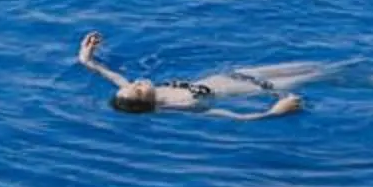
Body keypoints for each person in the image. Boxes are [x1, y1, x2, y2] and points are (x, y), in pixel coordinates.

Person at [77, 32, 306, 117]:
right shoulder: (181, 105)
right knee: (318, 75)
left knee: (307, 66)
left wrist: (87, 58)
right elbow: (230, 115)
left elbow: (113, 77)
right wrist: (275, 112)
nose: (137, 82)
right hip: (249, 88)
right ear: (145, 103)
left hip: (235, 76)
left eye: (132, 84)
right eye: (137, 89)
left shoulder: (149, 91)